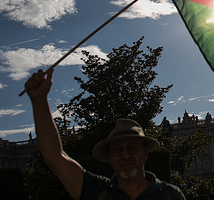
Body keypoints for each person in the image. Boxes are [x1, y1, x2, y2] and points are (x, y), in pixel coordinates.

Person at [25, 69, 185, 199]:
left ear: (145, 153)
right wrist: (39, 101)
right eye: (117, 150)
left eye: (132, 148)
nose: (125, 155)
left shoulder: (170, 195)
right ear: (109, 157)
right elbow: (54, 156)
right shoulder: (95, 191)